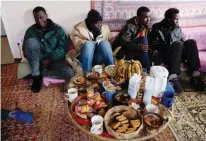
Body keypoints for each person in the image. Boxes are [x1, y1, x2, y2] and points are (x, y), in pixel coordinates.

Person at [149, 8, 204, 93]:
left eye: (178, 19)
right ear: (168, 19)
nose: (178, 21)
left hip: (178, 53)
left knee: (191, 42)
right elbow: (154, 44)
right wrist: (171, 45)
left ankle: (195, 75)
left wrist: (186, 46)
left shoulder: (178, 28)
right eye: (176, 19)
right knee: (178, 44)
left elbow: (182, 41)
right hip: (166, 54)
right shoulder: (157, 27)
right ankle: (173, 77)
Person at [22, 6, 74, 93]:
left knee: (69, 73)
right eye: (36, 18)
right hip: (37, 61)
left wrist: (49, 59)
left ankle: (41, 74)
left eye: (41, 17)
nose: (39, 20)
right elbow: (25, 49)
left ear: (46, 15)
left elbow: (63, 49)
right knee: (30, 42)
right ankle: (36, 77)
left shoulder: (58, 30)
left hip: (54, 61)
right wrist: (37, 60)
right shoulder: (31, 31)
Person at [112, 6, 154, 71]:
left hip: (133, 50)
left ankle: (144, 69)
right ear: (138, 17)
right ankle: (147, 69)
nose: (148, 19)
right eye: (145, 17)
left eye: (149, 17)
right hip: (122, 50)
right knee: (143, 39)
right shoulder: (130, 26)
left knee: (150, 51)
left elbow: (145, 44)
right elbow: (124, 41)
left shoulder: (145, 26)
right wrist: (138, 47)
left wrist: (150, 49)